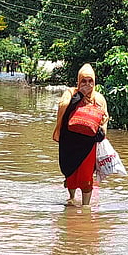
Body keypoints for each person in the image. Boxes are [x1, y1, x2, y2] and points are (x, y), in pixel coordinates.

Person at [53, 64, 109, 207]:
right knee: (70, 175)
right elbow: (63, 109)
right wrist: (80, 96)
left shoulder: (98, 98)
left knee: (86, 177)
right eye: (83, 81)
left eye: (90, 81)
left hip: (88, 145)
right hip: (69, 143)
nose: (87, 84)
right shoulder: (70, 93)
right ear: (78, 82)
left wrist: (100, 133)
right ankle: (71, 199)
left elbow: (104, 119)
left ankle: (86, 207)